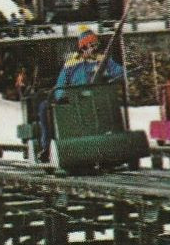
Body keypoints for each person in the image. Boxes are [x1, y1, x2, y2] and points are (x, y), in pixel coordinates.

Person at [38, 30, 123, 162]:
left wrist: (122, 73)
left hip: (97, 100)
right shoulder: (71, 64)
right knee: (44, 108)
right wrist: (62, 96)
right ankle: (46, 146)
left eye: (96, 45)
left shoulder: (103, 60)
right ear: (83, 47)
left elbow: (118, 71)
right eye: (92, 45)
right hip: (75, 101)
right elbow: (61, 84)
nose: (95, 48)